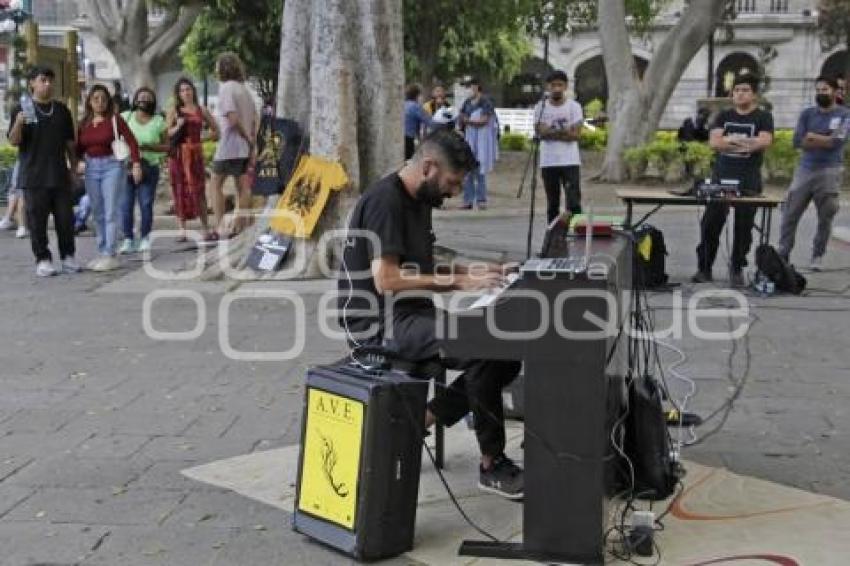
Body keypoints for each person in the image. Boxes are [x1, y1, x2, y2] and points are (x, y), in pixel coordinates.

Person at [338, 130, 523, 499]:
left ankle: (421, 419)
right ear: (428, 167)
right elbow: (387, 280)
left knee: (506, 349)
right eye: (452, 183)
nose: (454, 193)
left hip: (412, 312)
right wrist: (458, 282)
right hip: (379, 324)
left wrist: (473, 270)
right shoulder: (385, 202)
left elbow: (420, 266)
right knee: (485, 345)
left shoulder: (419, 199)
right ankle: (491, 463)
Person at [692, 74, 774, 287]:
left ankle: (737, 268)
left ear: (754, 94)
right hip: (721, 178)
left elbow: (764, 142)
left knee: (743, 228)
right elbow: (715, 142)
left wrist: (730, 140)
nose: (740, 93)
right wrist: (744, 142)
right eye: (737, 90)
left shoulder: (763, 117)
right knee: (710, 223)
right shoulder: (723, 116)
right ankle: (704, 268)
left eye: (745, 90)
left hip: (749, 180)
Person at [7, 66, 80, 276]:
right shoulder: (21, 108)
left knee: (66, 220)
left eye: (50, 80)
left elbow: (69, 144)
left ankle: (68, 257)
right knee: (37, 221)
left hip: (59, 174)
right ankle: (43, 259)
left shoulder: (61, 110)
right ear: (32, 83)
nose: (47, 84)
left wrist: (74, 168)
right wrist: (18, 124)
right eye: (43, 80)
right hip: (33, 176)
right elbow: (14, 141)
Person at [777, 76, 850, 271]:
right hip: (805, 170)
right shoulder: (807, 114)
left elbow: (836, 142)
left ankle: (817, 255)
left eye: (825, 89)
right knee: (789, 213)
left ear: (835, 92)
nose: (820, 93)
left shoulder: (844, 115)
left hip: (829, 171)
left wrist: (812, 137)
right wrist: (823, 138)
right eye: (818, 90)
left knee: (825, 217)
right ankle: (783, 253)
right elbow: (797, 141)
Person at [77, 84, 142, 271]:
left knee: (110, 210)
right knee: (97, 212)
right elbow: (78, 148)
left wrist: (136, 164)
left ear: (108, 101)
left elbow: (132, 142)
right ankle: (102, 250)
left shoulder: (115, 120)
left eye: (103, 99)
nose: (99, 102)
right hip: (91, 168)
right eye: (95, 98)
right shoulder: (84, 123)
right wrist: (75, 163)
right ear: (89, 101)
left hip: (112, 166)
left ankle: (110, 254)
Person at [208, 52, 259, 239]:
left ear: (223, 68)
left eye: (217, 66)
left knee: (215, 184)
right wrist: (251, 142)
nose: (215, 70)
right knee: (243, 186)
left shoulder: (226, 88)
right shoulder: (245, 90)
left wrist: (246, 137)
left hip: (229, 146)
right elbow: (255, 119)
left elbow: (232, 118)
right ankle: (242, 225)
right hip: (244, 148)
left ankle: (221, 226)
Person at [166, 77, 219, 242]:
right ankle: (182, 230)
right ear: (178, 93)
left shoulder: (201, 110)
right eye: (182, 90)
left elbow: (216, 131)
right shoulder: (174, 110)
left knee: (199, 191)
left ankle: (205, 228)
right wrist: (178, 126)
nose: (186, 93)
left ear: (193, 91)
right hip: (178, 156)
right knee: (179, 190)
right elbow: (167, 134)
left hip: (195, 156)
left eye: (188, 89)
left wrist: (200, 141)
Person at [119, 86, 168, 254]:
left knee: (146, 204)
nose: (144, 100)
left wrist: (150, 147)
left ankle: (145, 237)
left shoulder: (158, 121)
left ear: (153, 102)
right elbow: (113, 137)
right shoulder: (126, 117)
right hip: (127, 166)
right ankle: (128, 239)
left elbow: (167, 146)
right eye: (141, 97)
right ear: (135, 100)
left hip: (149, 166)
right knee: (126, 205)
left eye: (148, 98)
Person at [534, 70, 584, 223]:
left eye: (560, 85)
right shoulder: (541, 107)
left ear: (566, 86)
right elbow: (541, 132)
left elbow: (575, 135)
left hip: (570, 161)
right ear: (548, 86)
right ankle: (554, 237)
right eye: (553, 85)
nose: (556, 88)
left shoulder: (574, 107)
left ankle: (577, 234)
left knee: (574, 202)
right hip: (549, 162)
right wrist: (564, 131)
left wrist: (551, 131)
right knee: (552, 203)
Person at [459, 78, 498, 210]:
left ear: (477, 87)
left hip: (482, 139)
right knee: (468, 170)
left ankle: (481, 200)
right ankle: (468, 200)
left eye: (470, 87)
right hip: (470, 138)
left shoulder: (485, 102)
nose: (469, 90)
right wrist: (467, 121)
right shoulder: (467, 102)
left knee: (480, 169)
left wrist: (469, 121)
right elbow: (461, 117)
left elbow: (484, 120)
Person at [0, 159, 29, 238]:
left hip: (33, 160)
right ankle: (9, 219)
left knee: (22, 190)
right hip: (24, 159)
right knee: (15, 188)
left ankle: (19, 224)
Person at [404, 84, 432, 159]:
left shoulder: (403, 104)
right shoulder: (415, 107)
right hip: (408, 140)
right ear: (417, 95)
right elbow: (430, 122)